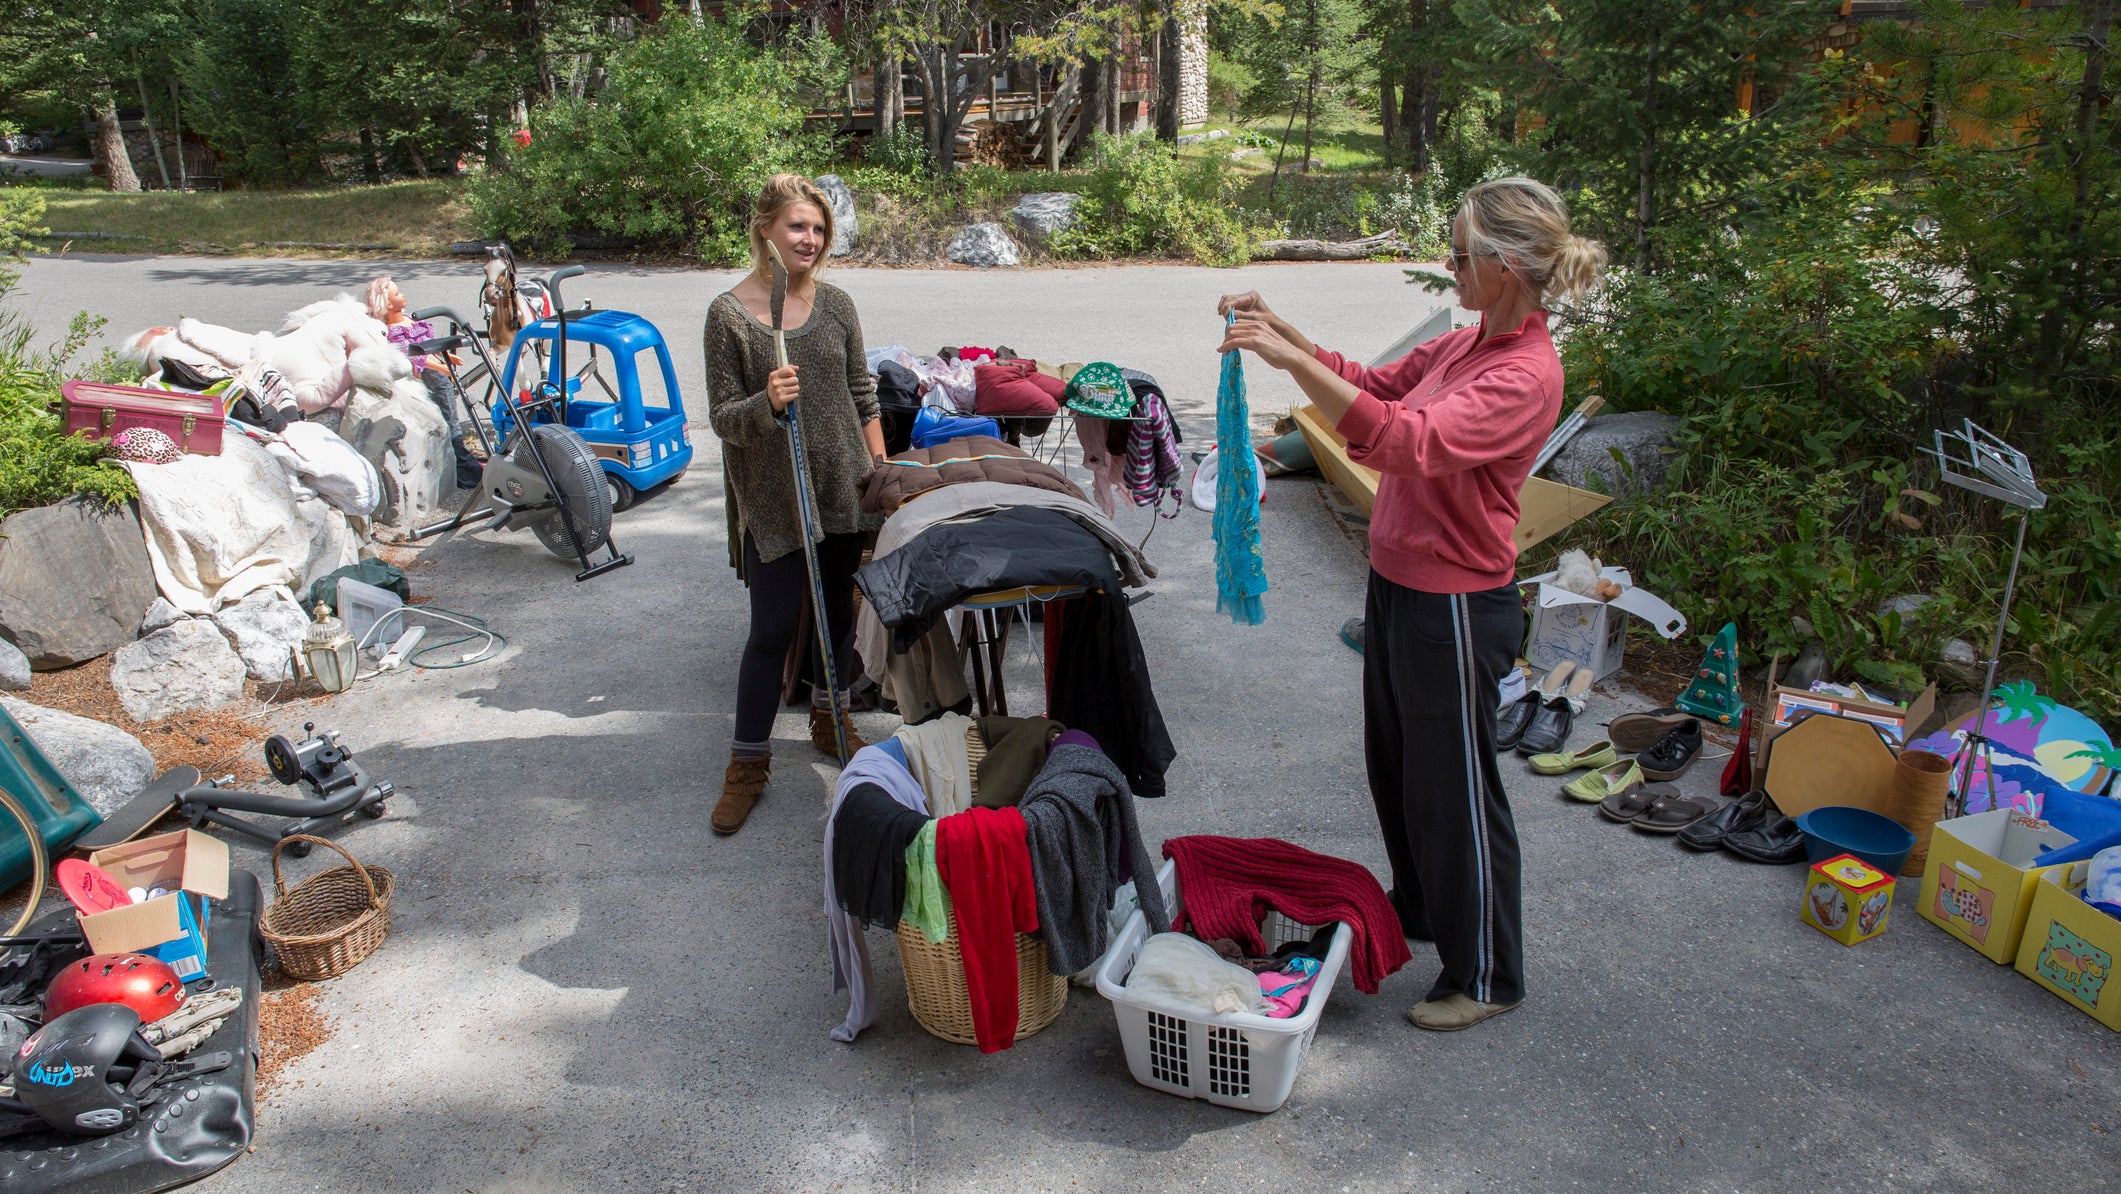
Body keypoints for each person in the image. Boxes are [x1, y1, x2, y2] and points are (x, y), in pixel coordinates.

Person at [1217, 177, 1606, 1032]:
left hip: (1458, 606)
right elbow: (1368, 385)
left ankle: (1490, 975)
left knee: (1457, 789)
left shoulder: (1524, 373)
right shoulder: (1465, 345)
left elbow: (1403, 441)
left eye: (1459, 254)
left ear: (1504, 267)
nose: (1447, 264)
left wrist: (1286, 360)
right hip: (1400, 588)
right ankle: (1426, 912)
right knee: (1399, 773)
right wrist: (1279, 330)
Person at [705, 174, 887, 836]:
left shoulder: (836, 304)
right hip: (777, 496)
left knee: (839, 610)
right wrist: (766, 402)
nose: (808, 238)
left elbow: (863, 395)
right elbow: (724, 418)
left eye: (817, 228)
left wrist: (882, 473)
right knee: (772, 630)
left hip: (843, 483)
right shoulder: (728, 314)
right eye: (796, 226)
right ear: (764, 231)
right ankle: (746, 767)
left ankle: (830, 718)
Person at [366, 276, 484, 489]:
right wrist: (442, 366)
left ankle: (467, 467)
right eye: (397, 294)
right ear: (389, 304)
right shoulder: (395, 331)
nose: (403, 295)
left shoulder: (408, 320)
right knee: (451, 425)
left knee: (452, 419)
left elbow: (428, 343)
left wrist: (446, 356)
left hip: (440, 375)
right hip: (430, 377)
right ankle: (467, 472)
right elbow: (417, 355)